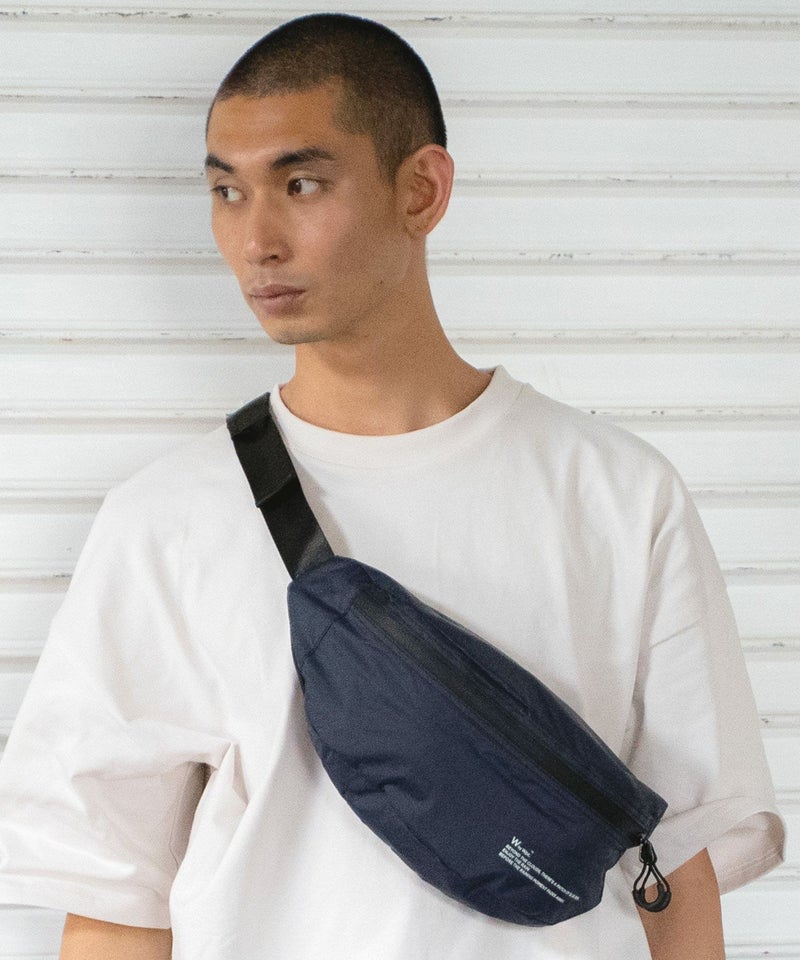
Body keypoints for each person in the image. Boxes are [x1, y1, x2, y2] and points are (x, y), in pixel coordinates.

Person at [0, 13, 784, 960]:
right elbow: (113, 902)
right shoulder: (164, 523)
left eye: (301, 183)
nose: (256, 239)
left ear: (421, 189)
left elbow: (678, 868)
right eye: (226, 191)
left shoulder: (620, 497)